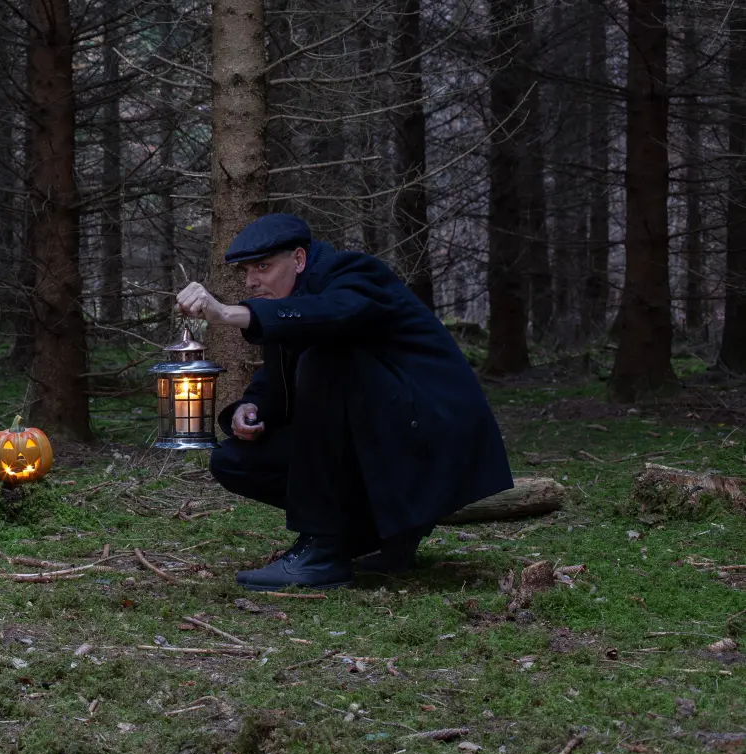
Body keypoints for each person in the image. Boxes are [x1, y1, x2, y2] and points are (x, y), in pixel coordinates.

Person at [175, 213, 511, 589]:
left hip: (428, 439)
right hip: (374, 441)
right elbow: (274, 378)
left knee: (325, 354)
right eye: (248, 271)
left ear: (299, 260)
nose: (253, 281)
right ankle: (376, 536)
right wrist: (247, 407)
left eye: (264, 267)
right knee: (234, 460)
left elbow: (332, 315)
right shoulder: (287, 302)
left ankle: (322, 548)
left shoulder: (355, 273)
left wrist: (229, 313)